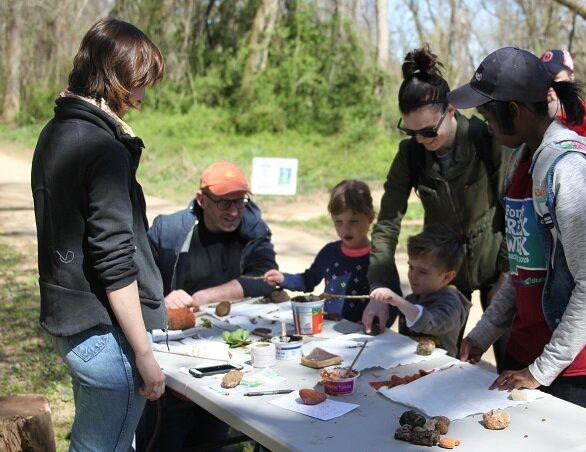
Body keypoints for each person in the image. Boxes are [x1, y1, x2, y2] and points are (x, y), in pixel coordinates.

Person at [452, 47, 586, 409]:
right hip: (527, 345)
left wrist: (541, 371)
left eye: (487, 116)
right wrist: (485, 332)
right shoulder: (521, 161)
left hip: (566, 362)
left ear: (514, 110)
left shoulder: (567, 170)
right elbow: (524, 269)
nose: (486, 126)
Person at [31, 19, 166, 451]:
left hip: (71, 325)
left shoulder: (55, 133)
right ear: (115, 76)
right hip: (103, 335)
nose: (144, 96)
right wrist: (146, 357)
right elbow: (115, 260)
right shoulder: (104, 148)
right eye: (140, 82)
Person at [364, 44, 509, 365]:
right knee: (429, 364)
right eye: (410, 131)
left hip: (493, 265)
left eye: (429, 131)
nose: (420, 140)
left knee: (511, 367)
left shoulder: (486, 140)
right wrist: (380, 288)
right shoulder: (411, 154)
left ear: (452, 110)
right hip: (442, 274)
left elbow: (513, 207)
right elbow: (388, 223)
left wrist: (506, 274)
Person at [137, 160, 278, 451]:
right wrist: (161, 299)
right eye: (225, 203)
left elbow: (267, 278)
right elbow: (136, 277)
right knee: (165, 438)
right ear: (202, 200)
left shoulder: (252, 227)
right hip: (172, 352)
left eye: (240, 201)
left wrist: (203, 297)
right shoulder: (169, 230)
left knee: (213, 438)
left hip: (227, 348)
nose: (235, 211)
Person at [265, 180, 375, 322]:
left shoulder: (378, 258)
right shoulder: (329, 253)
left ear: (370, 218)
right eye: (338, 222)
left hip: (363, 337)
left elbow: (392, 299)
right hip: (328, 330)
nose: (345, 229)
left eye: (353, 221)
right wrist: (283, 279)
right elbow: (308, 281)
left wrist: (376, 324)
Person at [370, 224, 471, 357]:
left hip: (440, 371)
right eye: (411, 267)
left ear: (447, 276)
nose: (413, 275)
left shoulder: (451, 305)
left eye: (423, 271)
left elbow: (430, 323)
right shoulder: (413, 298)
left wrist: (399, 302)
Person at [541, 48, 586, 161]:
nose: (550, 85)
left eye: (555, 78)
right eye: (544, 80)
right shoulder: (534, 109)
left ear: (571, 76)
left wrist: (556, 120)